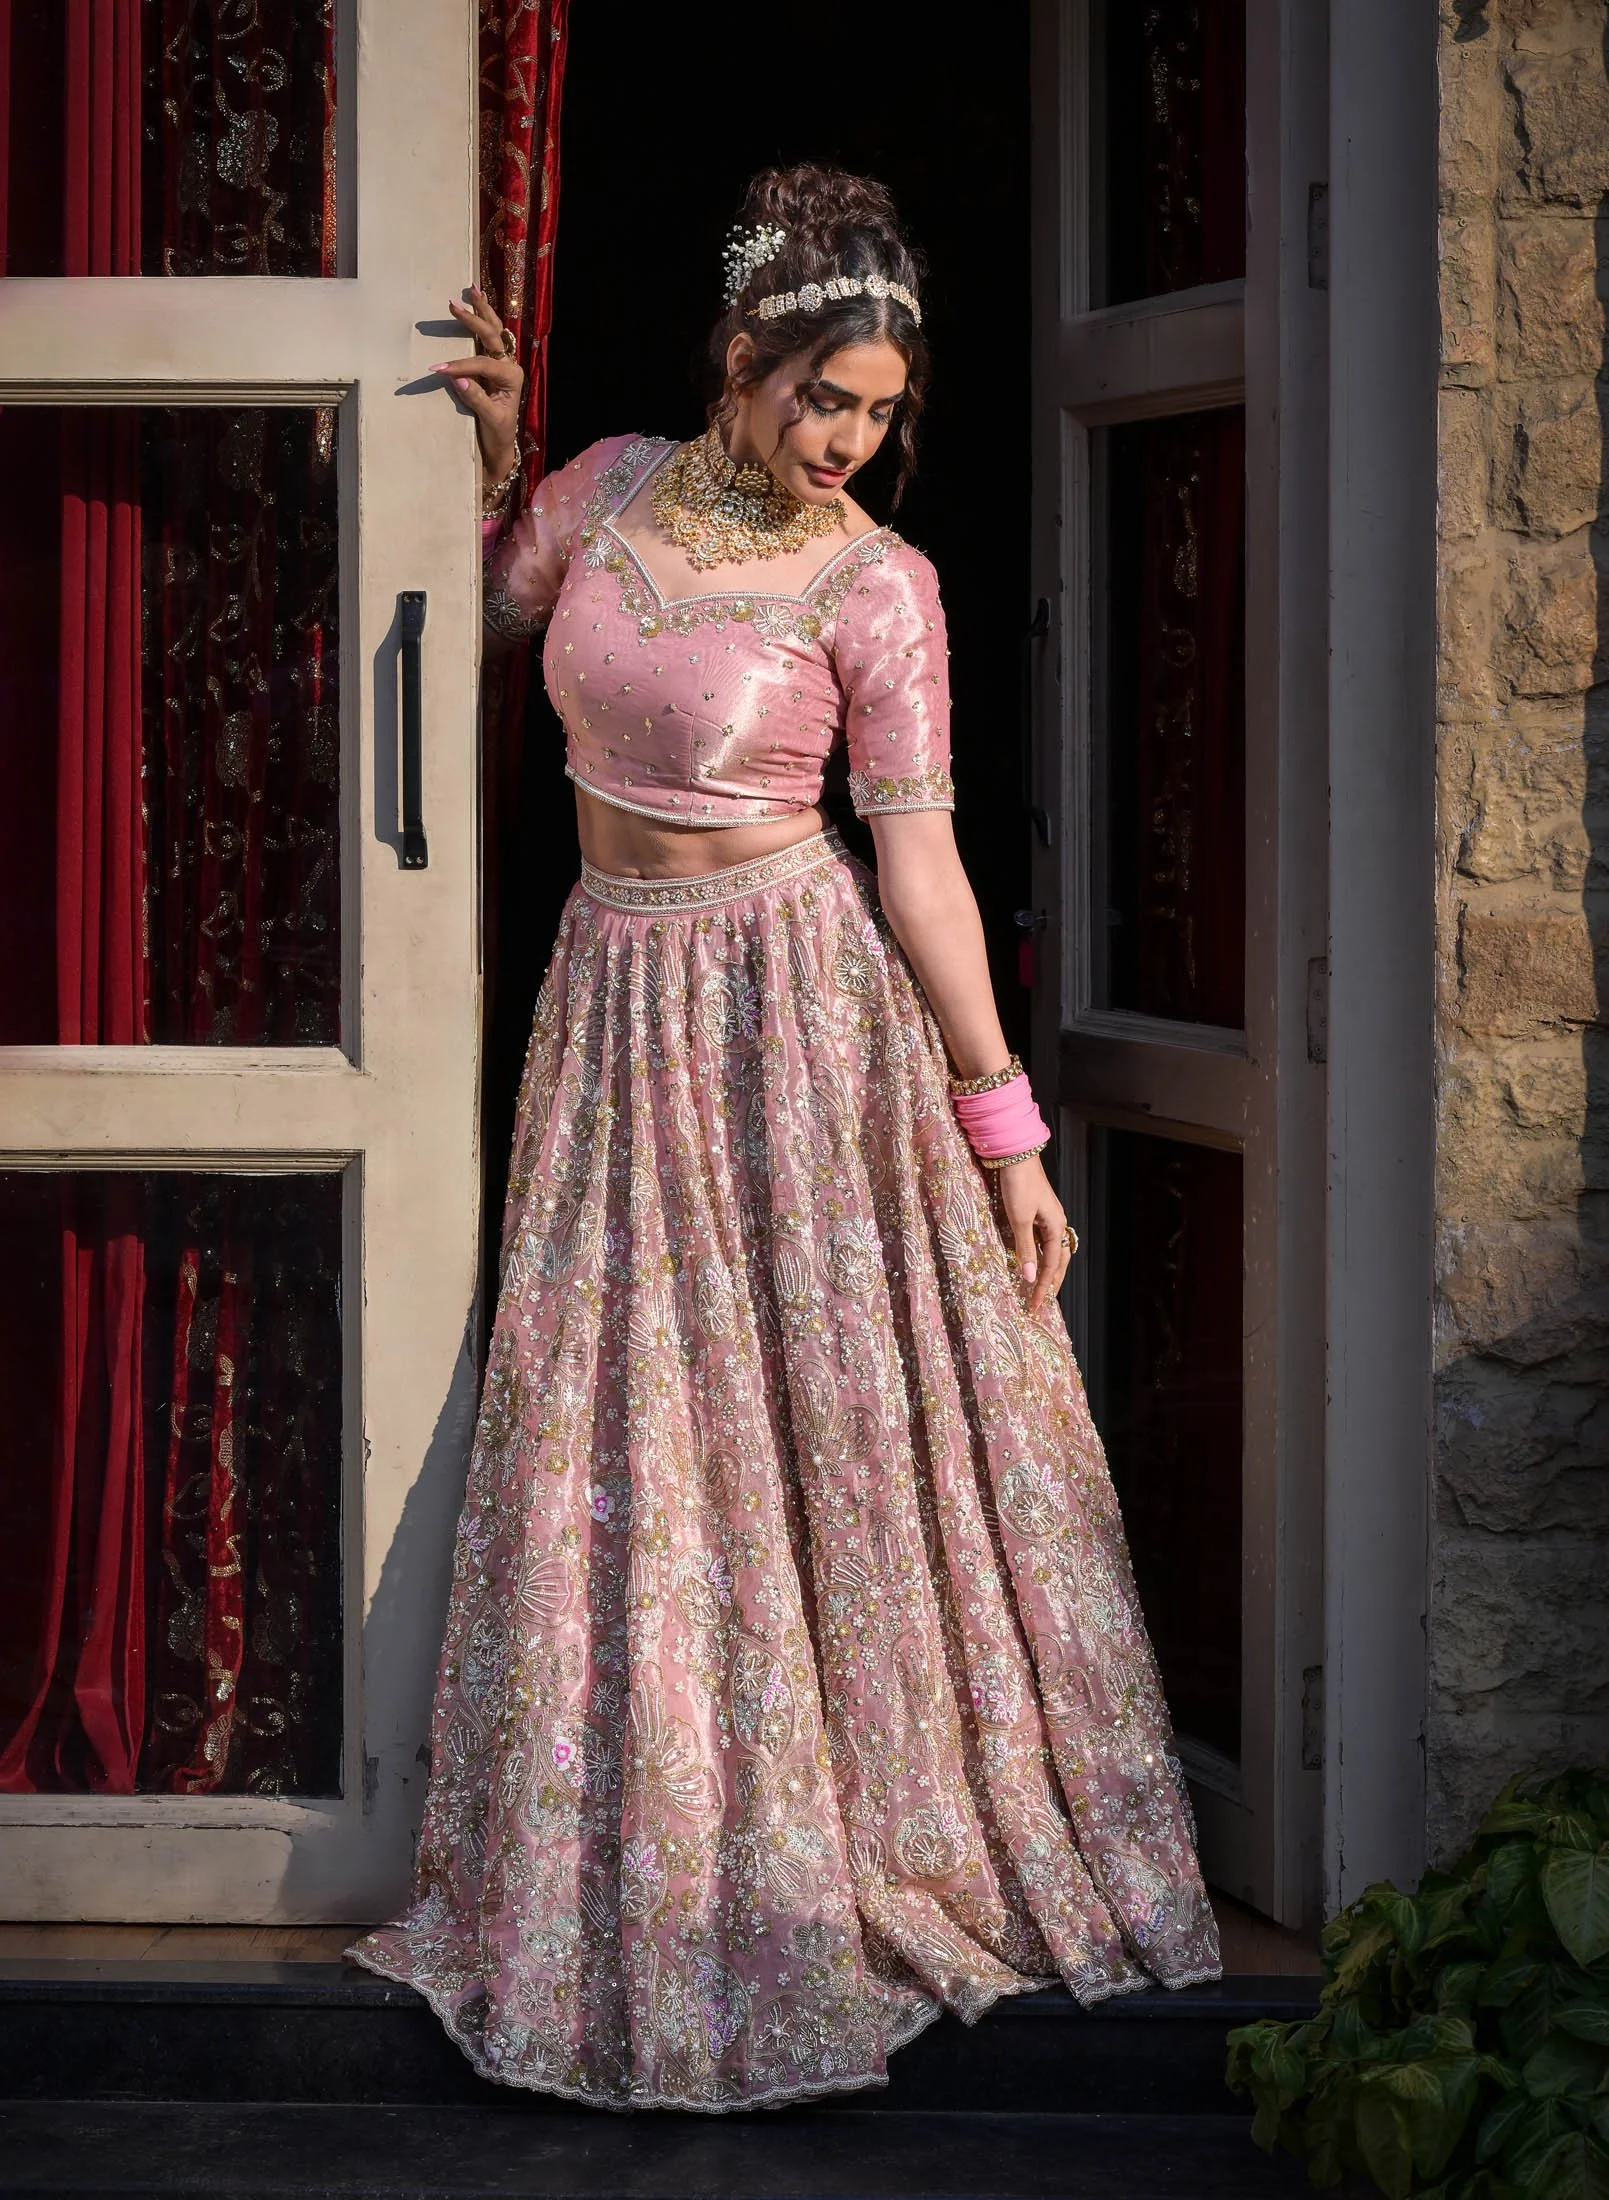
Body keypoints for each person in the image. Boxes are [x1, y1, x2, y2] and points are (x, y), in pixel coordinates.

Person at [348, 163, 1220, 2112]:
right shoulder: (608, 489)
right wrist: (489, 461)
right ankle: (648, 1832)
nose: (850, 442)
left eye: (880, 412)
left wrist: (1003, 1126)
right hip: (612, 1001)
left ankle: (843, 1836)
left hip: (793, 1018)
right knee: (627, 1416)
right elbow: (472, 622)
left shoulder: (878, 585)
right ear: (741, 354)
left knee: (804, 1420)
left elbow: (919, 866)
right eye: (825, 396)